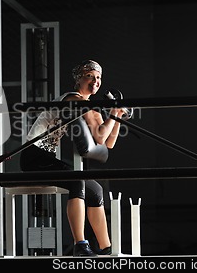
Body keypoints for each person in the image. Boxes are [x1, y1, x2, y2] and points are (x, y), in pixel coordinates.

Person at [19, 59, 126, 256]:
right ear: (78, 79)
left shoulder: (88, 106)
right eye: (89, 76)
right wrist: (113, 112)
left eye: (98, 78)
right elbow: (102, 135)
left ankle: (106, 248)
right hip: (34, 156)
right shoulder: (72, 99)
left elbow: (107, 142)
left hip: (47, 156)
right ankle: (81, 245)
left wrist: (116, 115)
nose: (95, 81)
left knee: (96, 190)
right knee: (78, 180)